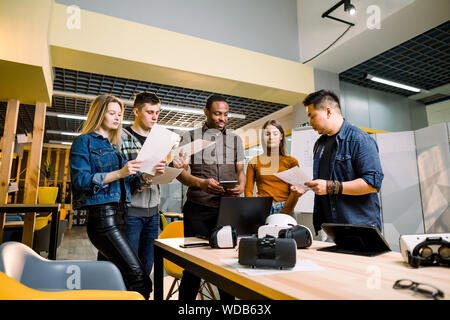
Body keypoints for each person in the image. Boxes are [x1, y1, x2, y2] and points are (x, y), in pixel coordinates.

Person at [70, 94, 164, 299]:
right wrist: (120, 173)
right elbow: (80, 181)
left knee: (117, 275)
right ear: (99, 113)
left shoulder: (114, 148)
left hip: (121, 216)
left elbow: (128, 186)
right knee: (139, 277)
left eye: (119, 114)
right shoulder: (84, 141)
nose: (117, 118)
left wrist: (149, 175)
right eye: (112, 113)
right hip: (103, 220)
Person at [175, 94, 246, 301]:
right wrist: (201, 184)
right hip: (198, 208)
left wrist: (241, 184)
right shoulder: (189, 138)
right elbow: (181, 173)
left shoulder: (235, 140)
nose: (221, 118)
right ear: (206, 112)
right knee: (194, 267)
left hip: (227, 210)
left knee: (228, 266)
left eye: (225, 114)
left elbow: (240, 171)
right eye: (217, 114)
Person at [290, 89, 384, 237]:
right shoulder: (320, 144)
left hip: (360, 227)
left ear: (328, 111)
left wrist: (330, 187)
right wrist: (307, 187)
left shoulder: (359, 139)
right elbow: (329, 177)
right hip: (333, 227)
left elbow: (372, 183)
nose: (310, 122)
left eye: (312, 116)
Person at [121, 91, 183, 276]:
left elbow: (158, 171)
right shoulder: (121, 138)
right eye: (150, 112)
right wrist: (142, 176)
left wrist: (175, 166)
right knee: (130, 267)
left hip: (153, 212)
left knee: (147, 266)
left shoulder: (160, 140)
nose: (155, 117)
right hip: (130, 212)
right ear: (136, 112)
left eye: (157, 112)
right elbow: (120, 175)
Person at [245, 120, 305, 215]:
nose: (271, 137)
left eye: (275, 134)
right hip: (261, 208)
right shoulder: (253, 162)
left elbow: (294, 192)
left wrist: (284, 213)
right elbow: (248, 191)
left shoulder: (291, 162)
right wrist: (252, 209)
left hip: (285, 207)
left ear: (281, 136)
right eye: (267, 134)